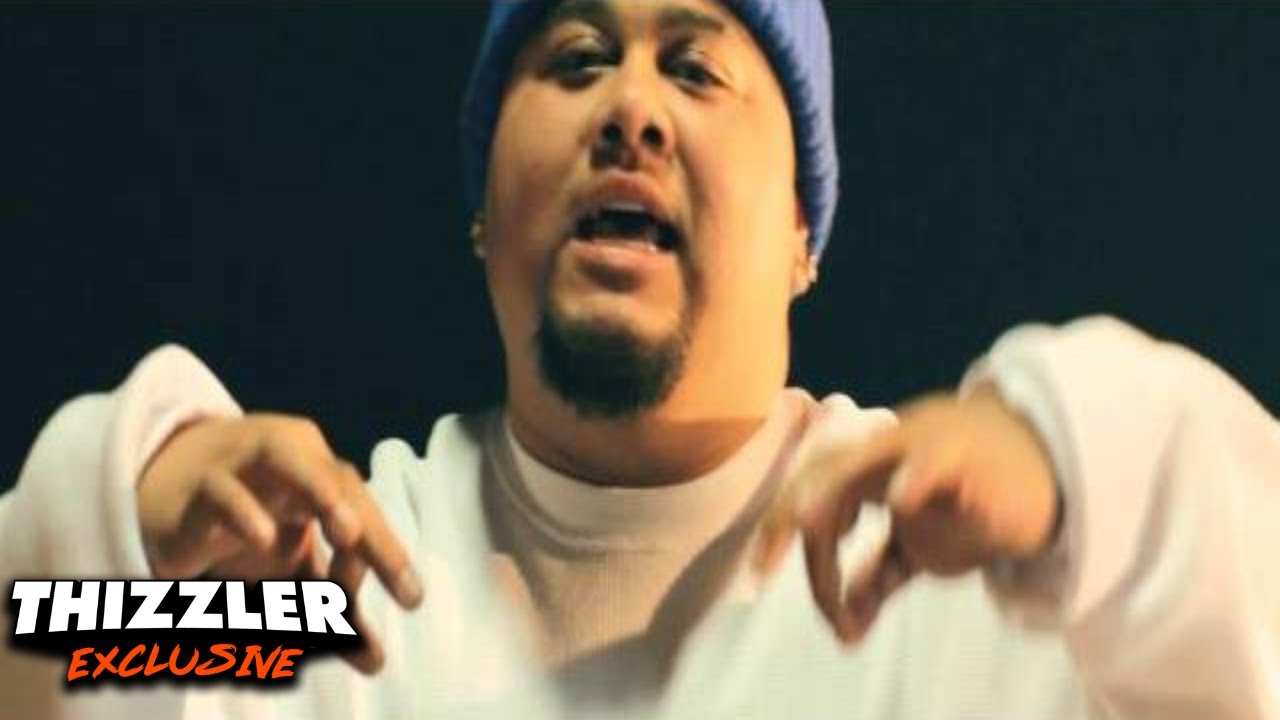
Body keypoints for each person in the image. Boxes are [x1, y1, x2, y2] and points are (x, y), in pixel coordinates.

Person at [3, 0, 1278, 718]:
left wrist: (1080, 467)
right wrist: (111, 535)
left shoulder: (963, 597)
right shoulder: (325, 600)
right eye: (575, 60)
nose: (630, 109)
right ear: (482, 212)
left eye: (696, 68)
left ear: (802, 229)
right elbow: (38, 663)